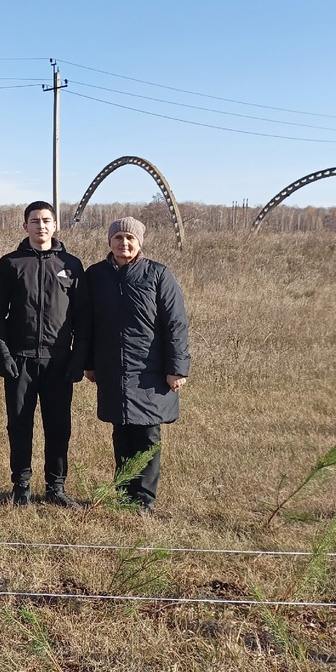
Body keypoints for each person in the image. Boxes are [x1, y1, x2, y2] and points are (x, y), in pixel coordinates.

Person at [84, 217, 190, 512]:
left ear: (140, 242)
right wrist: (89, 363)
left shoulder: (158, 275)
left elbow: (176, 323)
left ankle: (143, 499)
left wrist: (177, 368)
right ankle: (123, 495)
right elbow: (88, 323)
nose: (124, 243)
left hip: (150, 371)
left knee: (147, 435)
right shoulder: (96, 275)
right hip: (112, 369)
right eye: (118, 238)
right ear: (110, 242)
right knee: (121, 433)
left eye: (130, 238)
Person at [0, 201, 89, 507]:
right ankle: (21, 486)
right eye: (34, 221)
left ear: (54, 225)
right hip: (21, 360)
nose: (41, 226)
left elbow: (83, 318)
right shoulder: (10, 264)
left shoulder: (71, 265)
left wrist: (78, 359)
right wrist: (3, 354)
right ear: (25, 226)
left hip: (58, 361)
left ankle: (56, 487)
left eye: (46, 220)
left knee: (58, 426)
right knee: (19, 425)